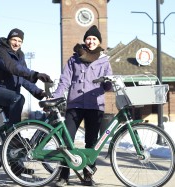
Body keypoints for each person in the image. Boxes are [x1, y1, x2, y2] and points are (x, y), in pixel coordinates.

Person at [0, 28, 53, 176]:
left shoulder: (20, 55)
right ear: (9, 39)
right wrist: (36, 74)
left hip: (10, 95)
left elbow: (23, 79)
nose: (16, 43)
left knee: (14, 125)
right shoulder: (0, 52)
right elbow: (12, 68)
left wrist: (39, 93)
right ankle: (14, 136)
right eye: (14, 40)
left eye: (20, 41)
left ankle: (15, 168)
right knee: (18, 100)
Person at [52, 25, 113, 187]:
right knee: (66, 140)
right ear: (85, 40)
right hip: (75, 104)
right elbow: (65, 80)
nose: (91, 41)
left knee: (91, 142)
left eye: (94, 39)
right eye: (89, 38)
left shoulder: (104, 60)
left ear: (99, 42)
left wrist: (108, 83)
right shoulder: (74, 59)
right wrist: (56, 96)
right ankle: (63, 176)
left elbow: (109, 84)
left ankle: (88, 175)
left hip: (95, 105)